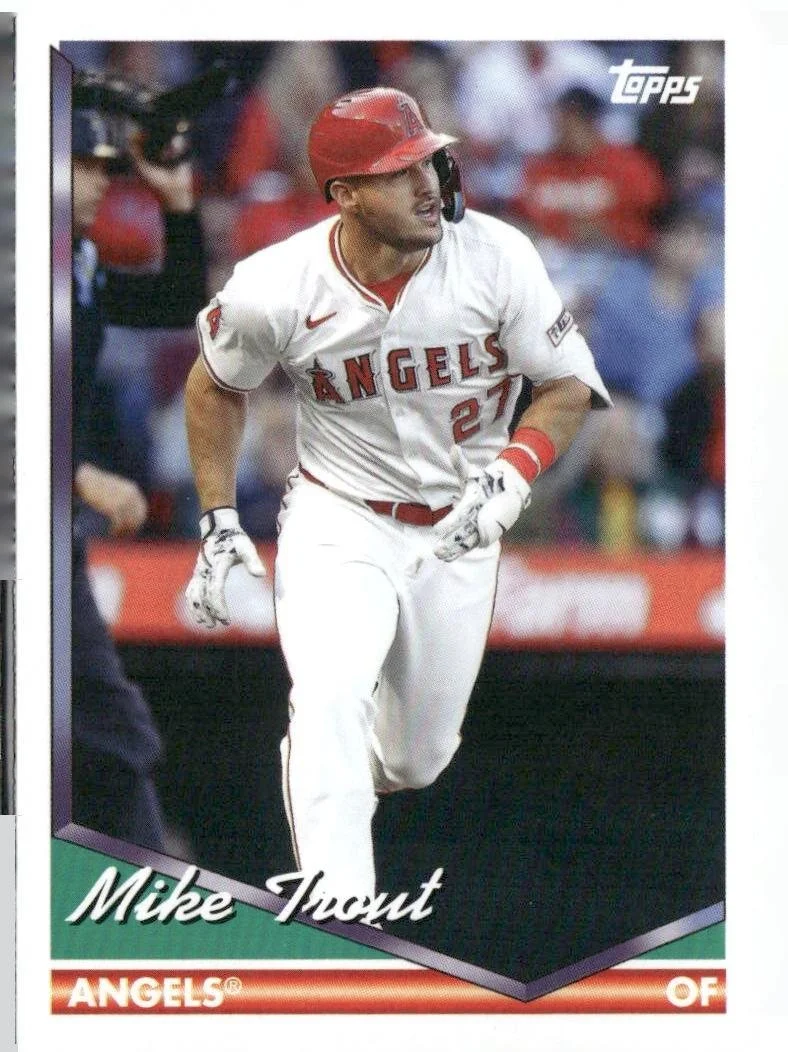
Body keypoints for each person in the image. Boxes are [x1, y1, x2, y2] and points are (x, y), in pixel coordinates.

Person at [184, 88, 611, 907]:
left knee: (417, 759)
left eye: (429, 161)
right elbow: (214, 385)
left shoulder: (496, 255)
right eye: (399, 170)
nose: (428, 183)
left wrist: (515, 470)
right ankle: (342, 922)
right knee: (330, 698)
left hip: (462, 523)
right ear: (345, 195)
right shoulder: (277, 284)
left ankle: (327, 761)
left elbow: (564, 385)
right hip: (340, 516)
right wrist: (218, 514)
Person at [71, 71, 206, 850]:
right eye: (84, 165)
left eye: (105, 167)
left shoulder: (75, 263)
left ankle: (146, 888)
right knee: (106, 729)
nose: (101, 182)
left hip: (42, 533)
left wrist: (177, 203)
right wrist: (77, 473)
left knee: (109, 732)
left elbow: (176, 304)